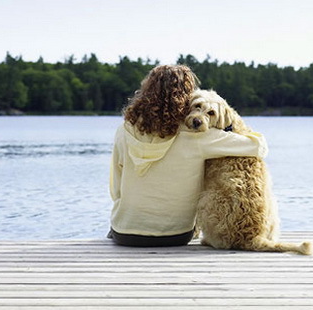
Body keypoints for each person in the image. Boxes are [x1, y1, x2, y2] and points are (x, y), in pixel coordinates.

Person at [108, 64, 268, 247]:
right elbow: (259, 147)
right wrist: (231, 122)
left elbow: (115, 189)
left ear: (145, 92)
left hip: (125, 233)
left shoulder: (123, 130)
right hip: (176, 235)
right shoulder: (198, 136)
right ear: (185, 98)